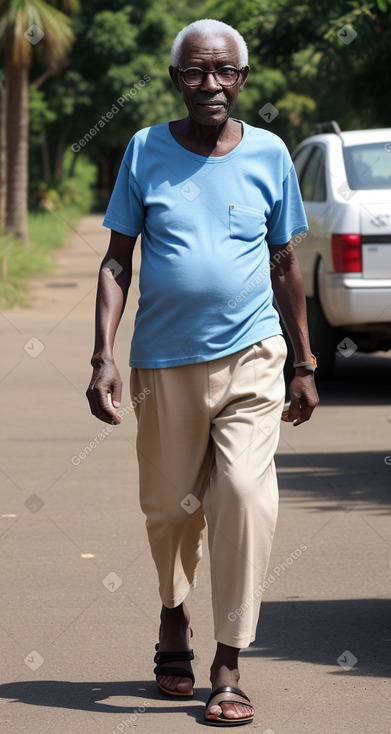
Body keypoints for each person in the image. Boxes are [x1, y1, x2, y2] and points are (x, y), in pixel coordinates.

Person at [86, 18, 319, 726]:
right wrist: (102, 354)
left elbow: (284, 264)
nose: (208, 84)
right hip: (163, 363)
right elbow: (118, 260)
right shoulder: (144, 150)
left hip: (254, 356)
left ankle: (227, 662)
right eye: (194, 72)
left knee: (244, 497)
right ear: (175, 79)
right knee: (168, 510)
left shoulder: (270, 153)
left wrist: (303, 361)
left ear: (241, 80)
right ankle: (170, 613)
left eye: (222, 72)